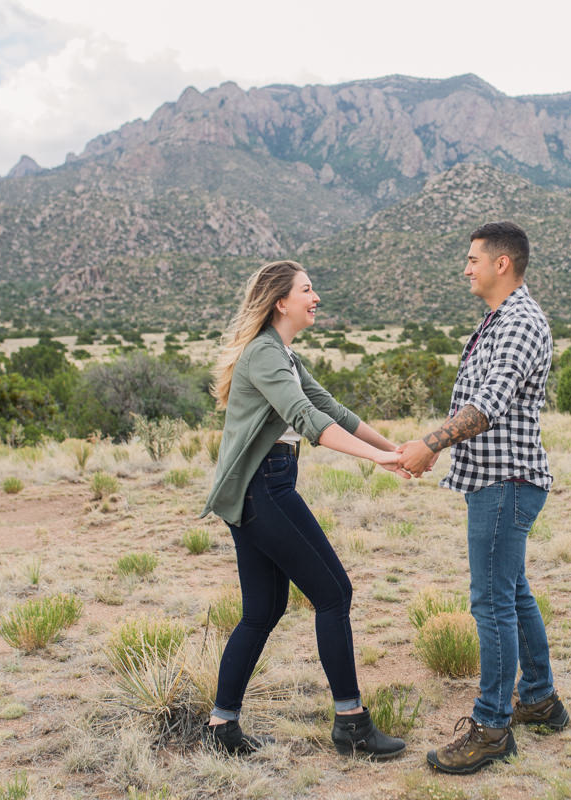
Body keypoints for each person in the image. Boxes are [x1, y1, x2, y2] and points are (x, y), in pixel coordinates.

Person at [200, 259, 407, 760]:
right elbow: (307, 419)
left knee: (262, 611)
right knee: (335, 594)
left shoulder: (283, 356)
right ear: (281, 302)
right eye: (308, 289)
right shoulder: (265, 356)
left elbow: (332, 409)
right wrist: (379, 458)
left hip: (258, 489)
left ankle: (221, 726)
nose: (317, 297)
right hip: (265, 490)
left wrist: (395, 450)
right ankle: (351, 724)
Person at [398, 221, 569, 775]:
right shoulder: (499, 320)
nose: (465, 267)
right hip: (499, 483)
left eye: (473, 259)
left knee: (491, 602)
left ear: (502, 263)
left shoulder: (518, 321)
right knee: (512, 593)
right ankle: (539, 699)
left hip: (506, 484)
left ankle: (492, 727)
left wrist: (430, 445)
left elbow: (489, 403)